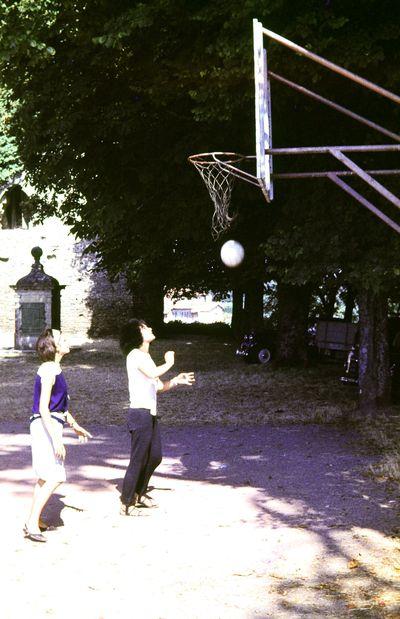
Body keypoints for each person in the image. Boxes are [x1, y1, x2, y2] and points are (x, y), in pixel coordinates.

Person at [119, 319, 195, 515]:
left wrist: (177, 381)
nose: (150, 328)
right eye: (145, 327)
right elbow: (153, 373)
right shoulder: (134, 355)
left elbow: (159, 386)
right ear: (138, 335)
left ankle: (139, 492)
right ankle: (126, 503)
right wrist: (169, 362)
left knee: (155, 456)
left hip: (149, 414)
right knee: (138, 459)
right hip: (139, 414)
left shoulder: (146, 357)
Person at [24, 328, 92, 542]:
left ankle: (34, 520)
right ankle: (31, 523)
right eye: (61, 339)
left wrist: (74, 424)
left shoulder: (53, 368)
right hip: (46, 426)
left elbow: (59, 407)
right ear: (53, 346)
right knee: (55, 476)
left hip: (49, 424)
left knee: (45, 477)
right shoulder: (49, 369)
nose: (66, 340)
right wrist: (56, 440)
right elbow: (44, 408)